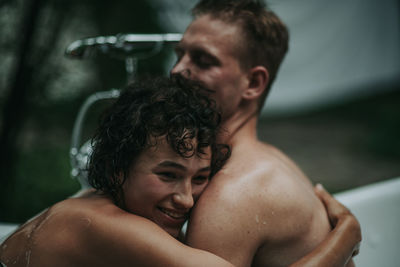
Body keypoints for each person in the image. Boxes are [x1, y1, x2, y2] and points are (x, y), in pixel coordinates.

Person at [170, 0, 361, 266]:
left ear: (253, 83)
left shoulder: (230, 198)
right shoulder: (269, 157)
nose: (177, 70)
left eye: (203, 61)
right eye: (180, 55)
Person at [0, 77, 235, 267]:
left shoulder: (87, 203)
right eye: (168, 175)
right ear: (116, 168)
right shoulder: (103, 225)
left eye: (200, 178)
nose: (186, 199)